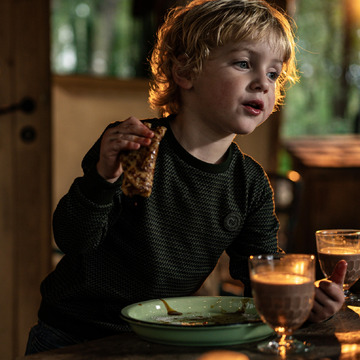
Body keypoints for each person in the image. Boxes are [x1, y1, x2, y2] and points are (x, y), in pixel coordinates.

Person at [25, 0, 346, 355]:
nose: (262, 84)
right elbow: (73, 239)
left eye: (273, 74)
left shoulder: (250, 183)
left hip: (164, 339)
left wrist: (307, 302)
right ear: (185, 72)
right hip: (76, 336)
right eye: (243, 64)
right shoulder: (133, 148)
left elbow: (261, 277)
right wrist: (103, 177)